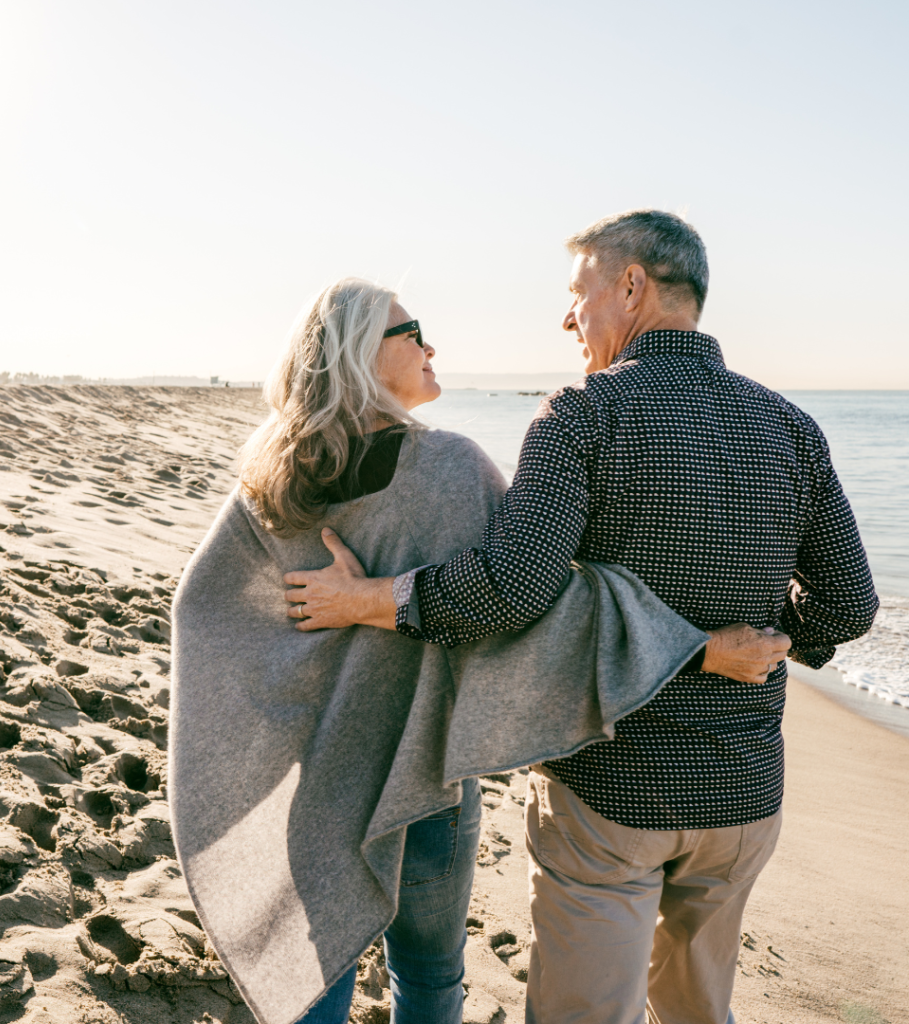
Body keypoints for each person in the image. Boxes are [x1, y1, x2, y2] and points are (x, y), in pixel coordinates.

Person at [283, 212, 877, 1023]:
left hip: (611, 792)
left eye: (578, 292)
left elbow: (510, 591)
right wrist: (777, 641)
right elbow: (850, 605)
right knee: (701, 1011)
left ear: (631, 286)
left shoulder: (585, 414)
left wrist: (370, 600)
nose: (569, 317)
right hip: (743, 794)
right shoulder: (791, 428)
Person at [170, 275, 787, 1024]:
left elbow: (204, 613)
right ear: (363, 354)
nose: (431, 345)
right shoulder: (451, 469)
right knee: (429, 977)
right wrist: (699, 650)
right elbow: (545, 605)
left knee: (314, 973)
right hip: (425, 771)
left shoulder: (270, 477)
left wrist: (296, 686)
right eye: (412, 331)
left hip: (318, 774)